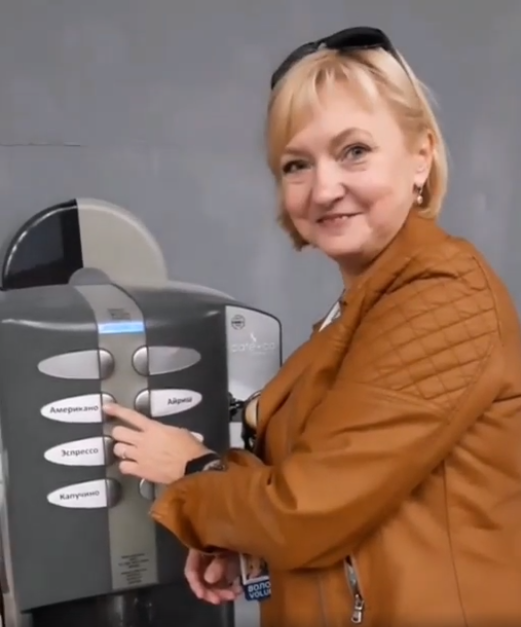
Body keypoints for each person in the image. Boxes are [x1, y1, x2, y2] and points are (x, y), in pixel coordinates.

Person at [104, 26, 521, 626]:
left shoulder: (444, 295)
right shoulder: (359, 308)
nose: (324, 189)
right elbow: (328, 488)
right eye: (297, 165)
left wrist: (194, 472)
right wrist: (234, 534)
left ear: (421, 157)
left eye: (355, 151)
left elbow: (305, 513)